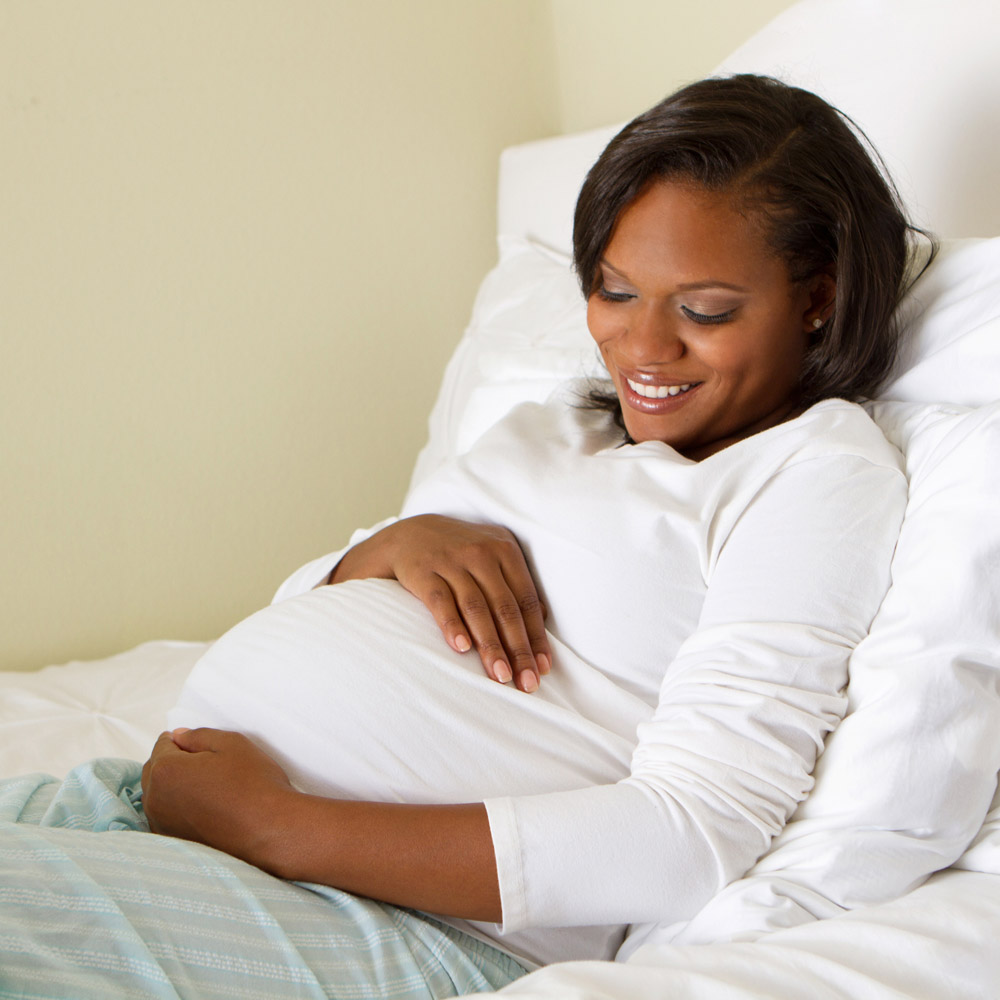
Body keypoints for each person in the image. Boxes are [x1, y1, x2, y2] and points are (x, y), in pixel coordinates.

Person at [0, 75, 921, 999]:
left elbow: (691, 833)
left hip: (394, 919)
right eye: (614, 290)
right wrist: (393, 547)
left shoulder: (814, 471)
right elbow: (315, 612)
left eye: (704, 310)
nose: (642, 346)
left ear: (816, 298)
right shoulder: (557, 419)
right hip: (176, 810)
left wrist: (275, 825)